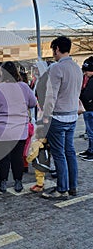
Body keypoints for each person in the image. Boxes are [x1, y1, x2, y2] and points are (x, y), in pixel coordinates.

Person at [0, 61, 37, 193]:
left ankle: (3, 182)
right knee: (17, 156)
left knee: (3, 157)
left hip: (2, 130)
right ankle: (18, 182)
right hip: (20, 129)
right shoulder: (24, 87)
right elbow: (33, 102)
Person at [41, 36, 82, 200]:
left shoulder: (57, 68)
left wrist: (45, 116)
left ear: (57, 48)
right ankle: (73, 186)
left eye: (53, 50)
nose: (53, 53)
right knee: (70, 152)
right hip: (72, 116)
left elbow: (51, 96)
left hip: (58, 117)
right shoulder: (77, 68)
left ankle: (62, 189)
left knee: (59, 154)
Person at [26, 125, 51, 193]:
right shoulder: (47, 142)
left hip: (39, 162)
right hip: (46, 162)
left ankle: (39, 186)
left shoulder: (36, 143)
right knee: (42, 173)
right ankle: (41, 183)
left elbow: (34, 153)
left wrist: (28, 159)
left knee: (38, 174)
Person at [79, 56, 93, 161]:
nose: (85, 73)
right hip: (88, 108)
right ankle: (90, 149)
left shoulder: (91, 81)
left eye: (87, 71)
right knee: (89, 132)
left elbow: (87, 95)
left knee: (91, 132)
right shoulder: (89, 79)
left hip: (90, 109)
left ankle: (92, 152)